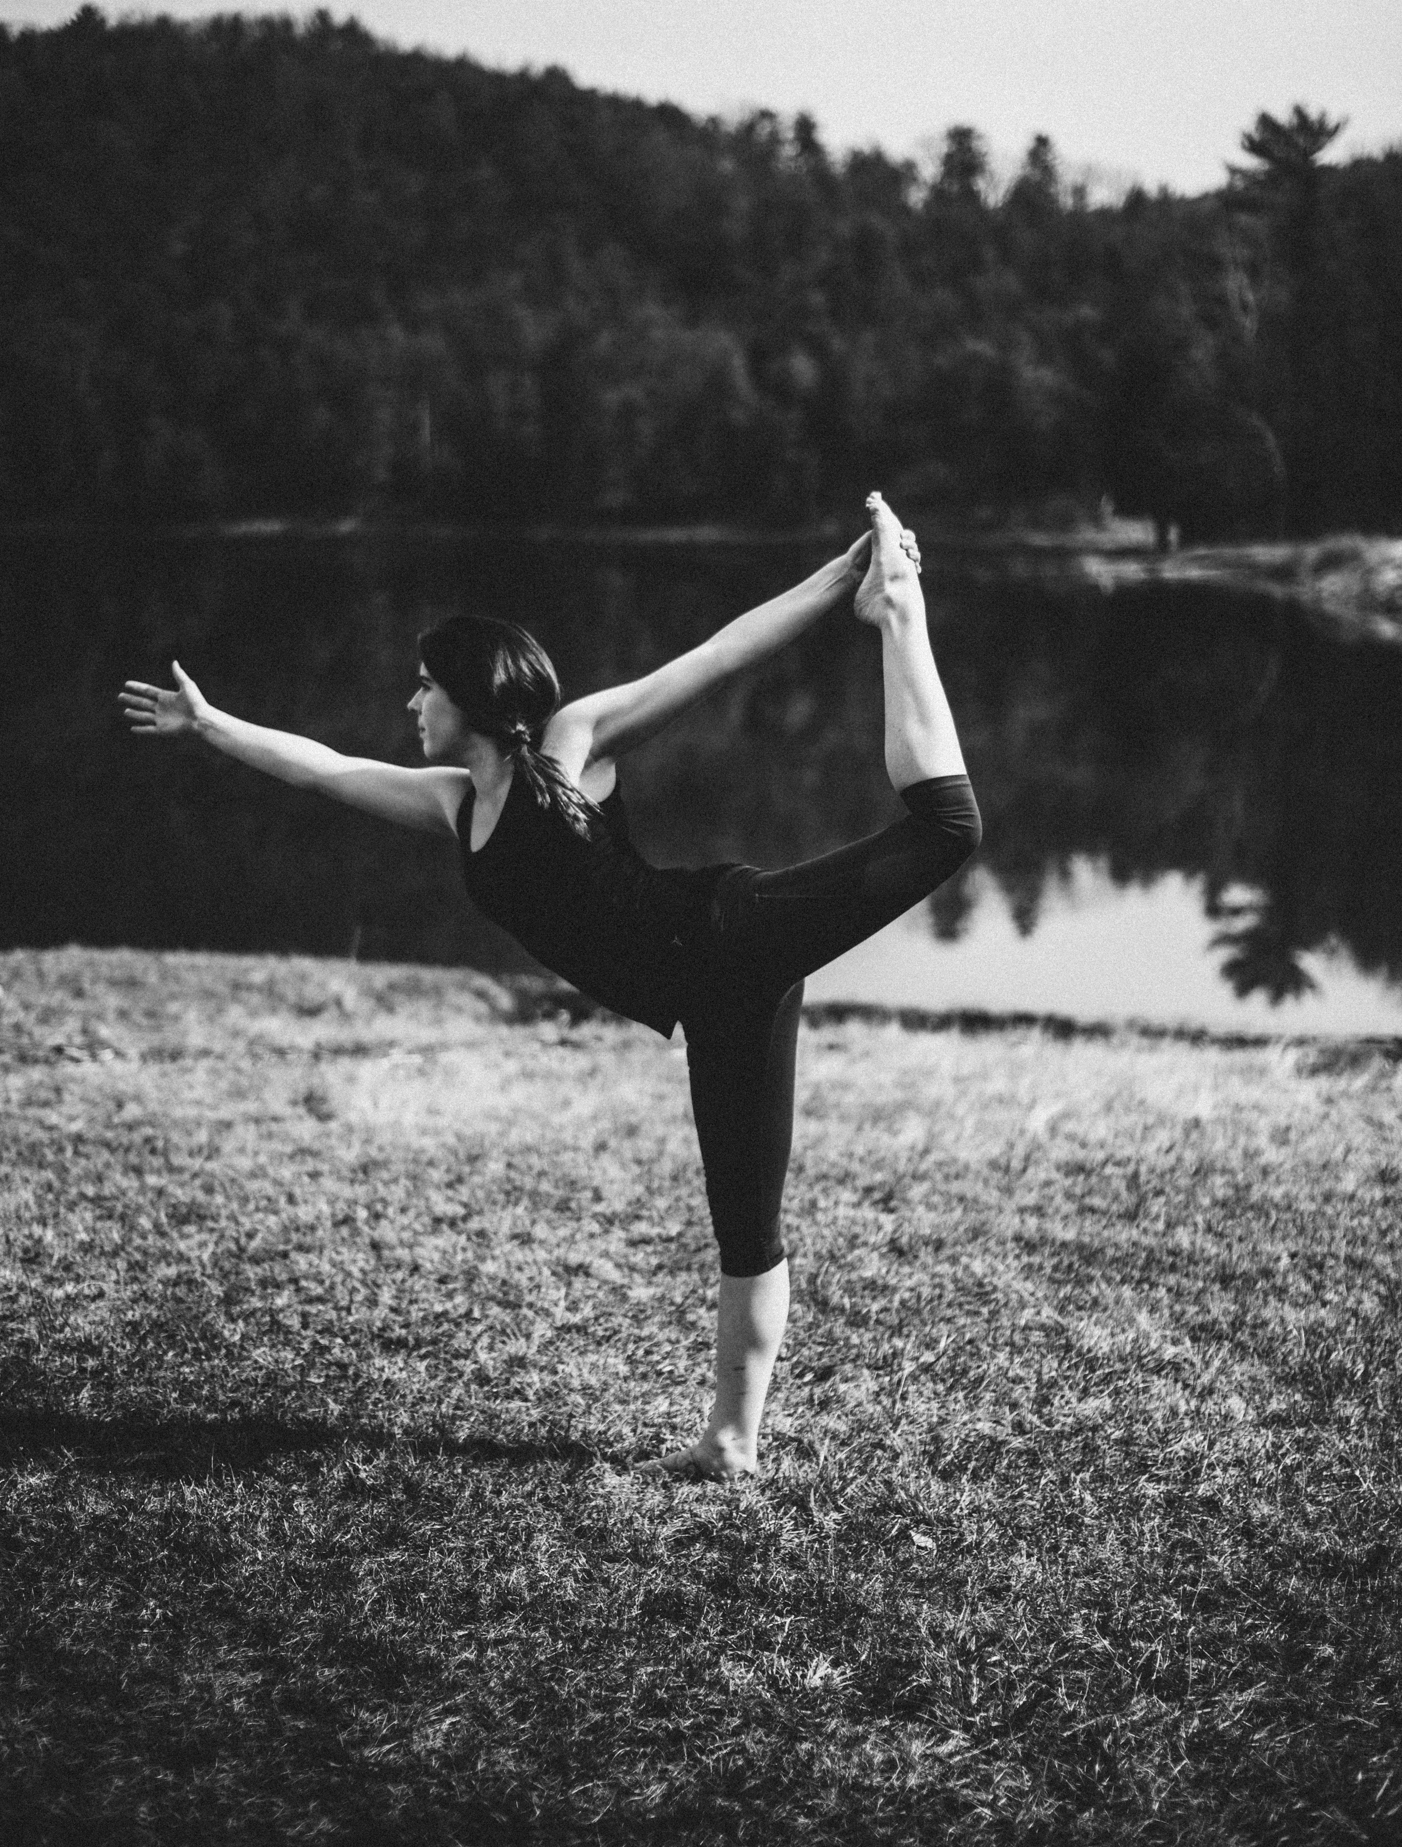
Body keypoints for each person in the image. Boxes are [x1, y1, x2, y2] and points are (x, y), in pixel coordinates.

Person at [119, 494, 980, 1480]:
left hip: (725, 934)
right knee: (745, 1228)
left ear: (470, 697)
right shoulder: (452, 805)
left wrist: (848, 576)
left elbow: (717, 657)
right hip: (714, 1002)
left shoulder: (571, 751)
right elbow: (324, 769)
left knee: (947, 834)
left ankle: (898, 611)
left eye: (424, 689)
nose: (411, 707)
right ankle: (730, 1449)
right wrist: (211, 725)